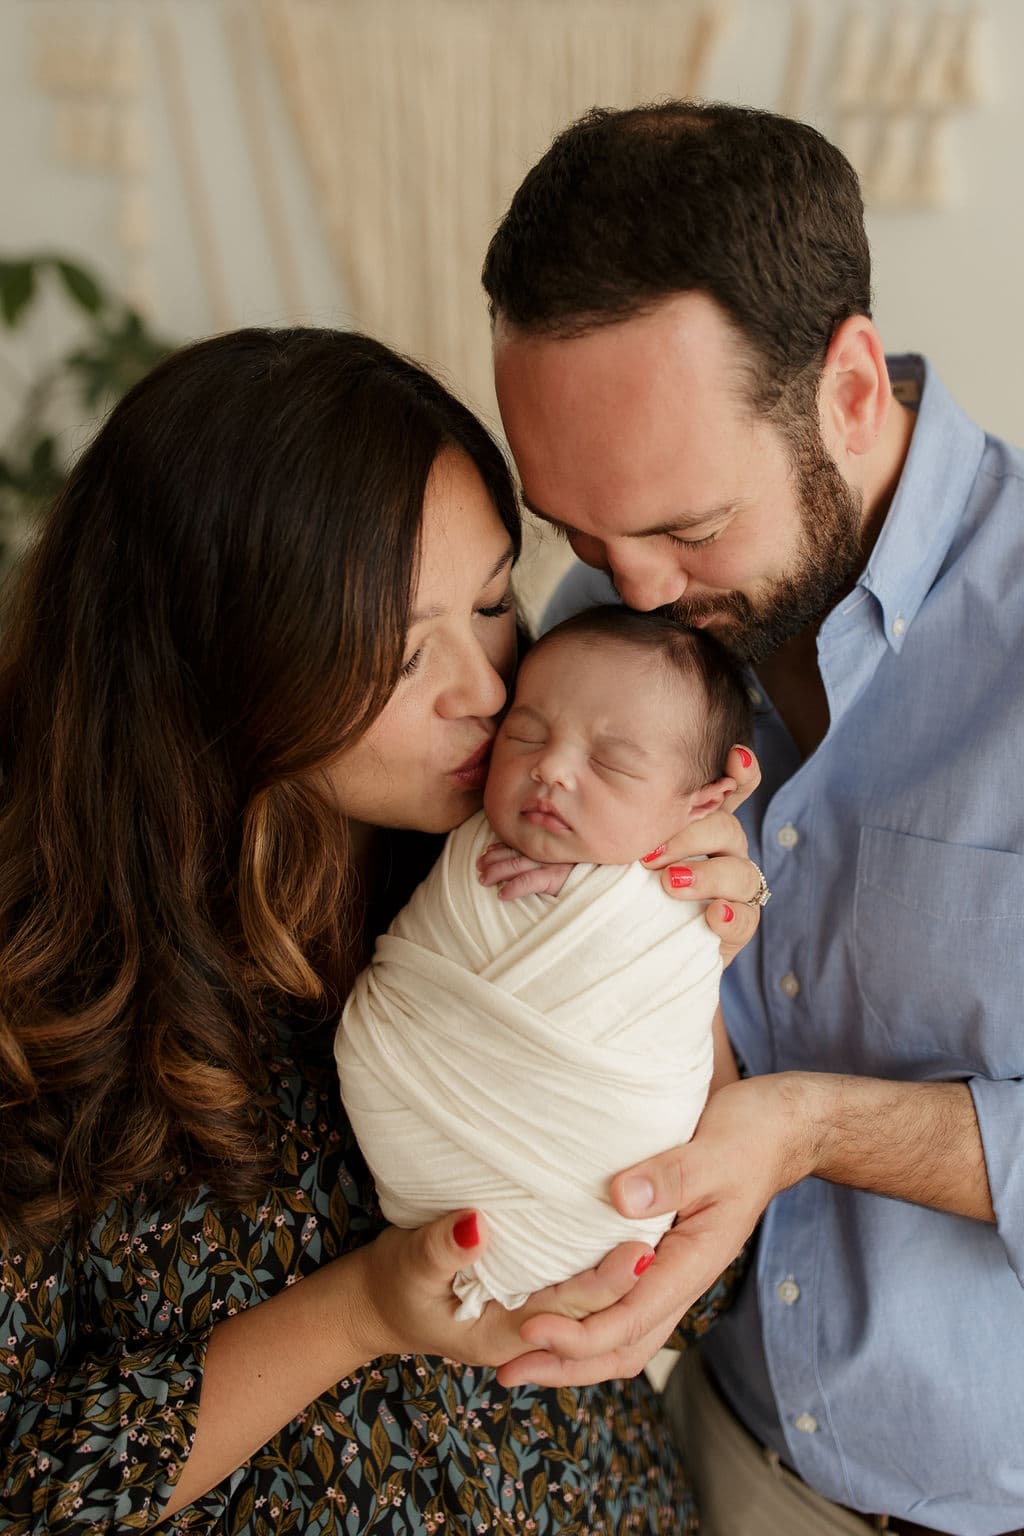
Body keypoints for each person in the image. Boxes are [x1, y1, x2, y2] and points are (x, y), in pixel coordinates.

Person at [0, 325, 759, 1535]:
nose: (491, 688)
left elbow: (682, 1277)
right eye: (407, 654)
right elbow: (32, 1486)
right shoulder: (42, 1003)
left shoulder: (496, 867)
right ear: (223, 664)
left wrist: (662, 957)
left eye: (496, 599)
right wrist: (356, 1314)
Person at [480, 102, 1024, 1536]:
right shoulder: (599, 635)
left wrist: (811, 1127)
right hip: (705, 1461)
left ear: (849, 384)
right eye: (583, 534)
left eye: (687, 527)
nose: (634, 591)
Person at [336, 606, 752, 1320]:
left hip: (598, 1227)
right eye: (526, 735)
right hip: (414, 1155)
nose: (550, 769)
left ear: (703, 806)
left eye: (612, 764)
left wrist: (626, 898)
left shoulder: (687, 896)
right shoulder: (455, 829)